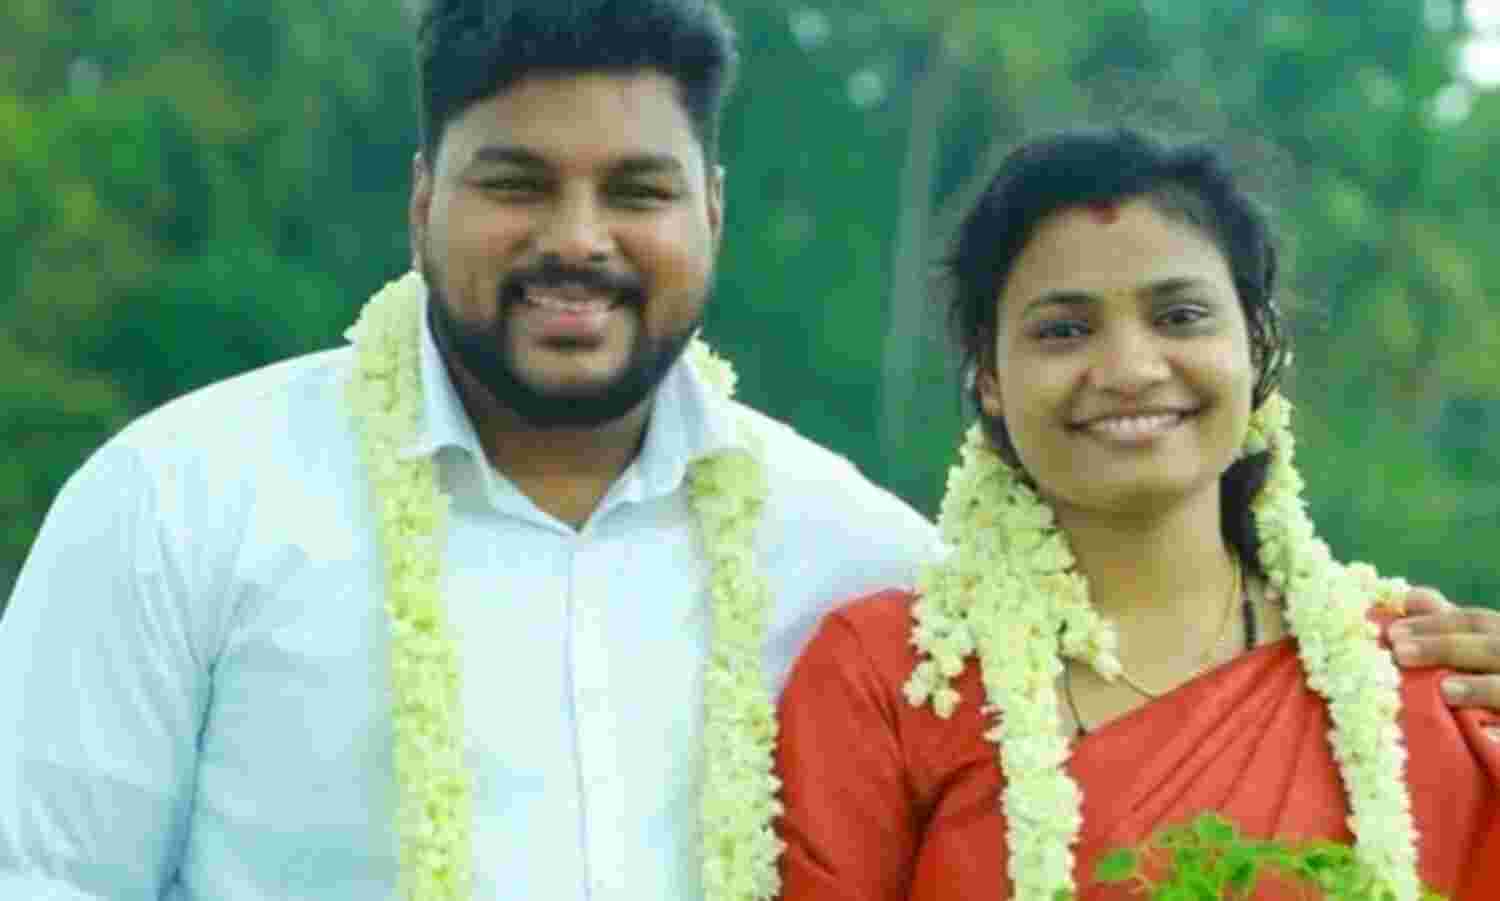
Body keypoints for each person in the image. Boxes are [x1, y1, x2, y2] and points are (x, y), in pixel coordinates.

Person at [0, 5, 1496, 900]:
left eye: (636, 189)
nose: (578, 238)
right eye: (515, 183)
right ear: (419, 199)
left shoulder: (847, 548)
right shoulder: (181, 501)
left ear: (710, 208)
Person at [774, 127, 1500, 901]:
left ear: (1257, 344)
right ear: (989, 376)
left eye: (1180, 316)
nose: (1129, 369)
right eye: (1064, 330)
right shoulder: (891, 677)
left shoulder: (1411, 675)